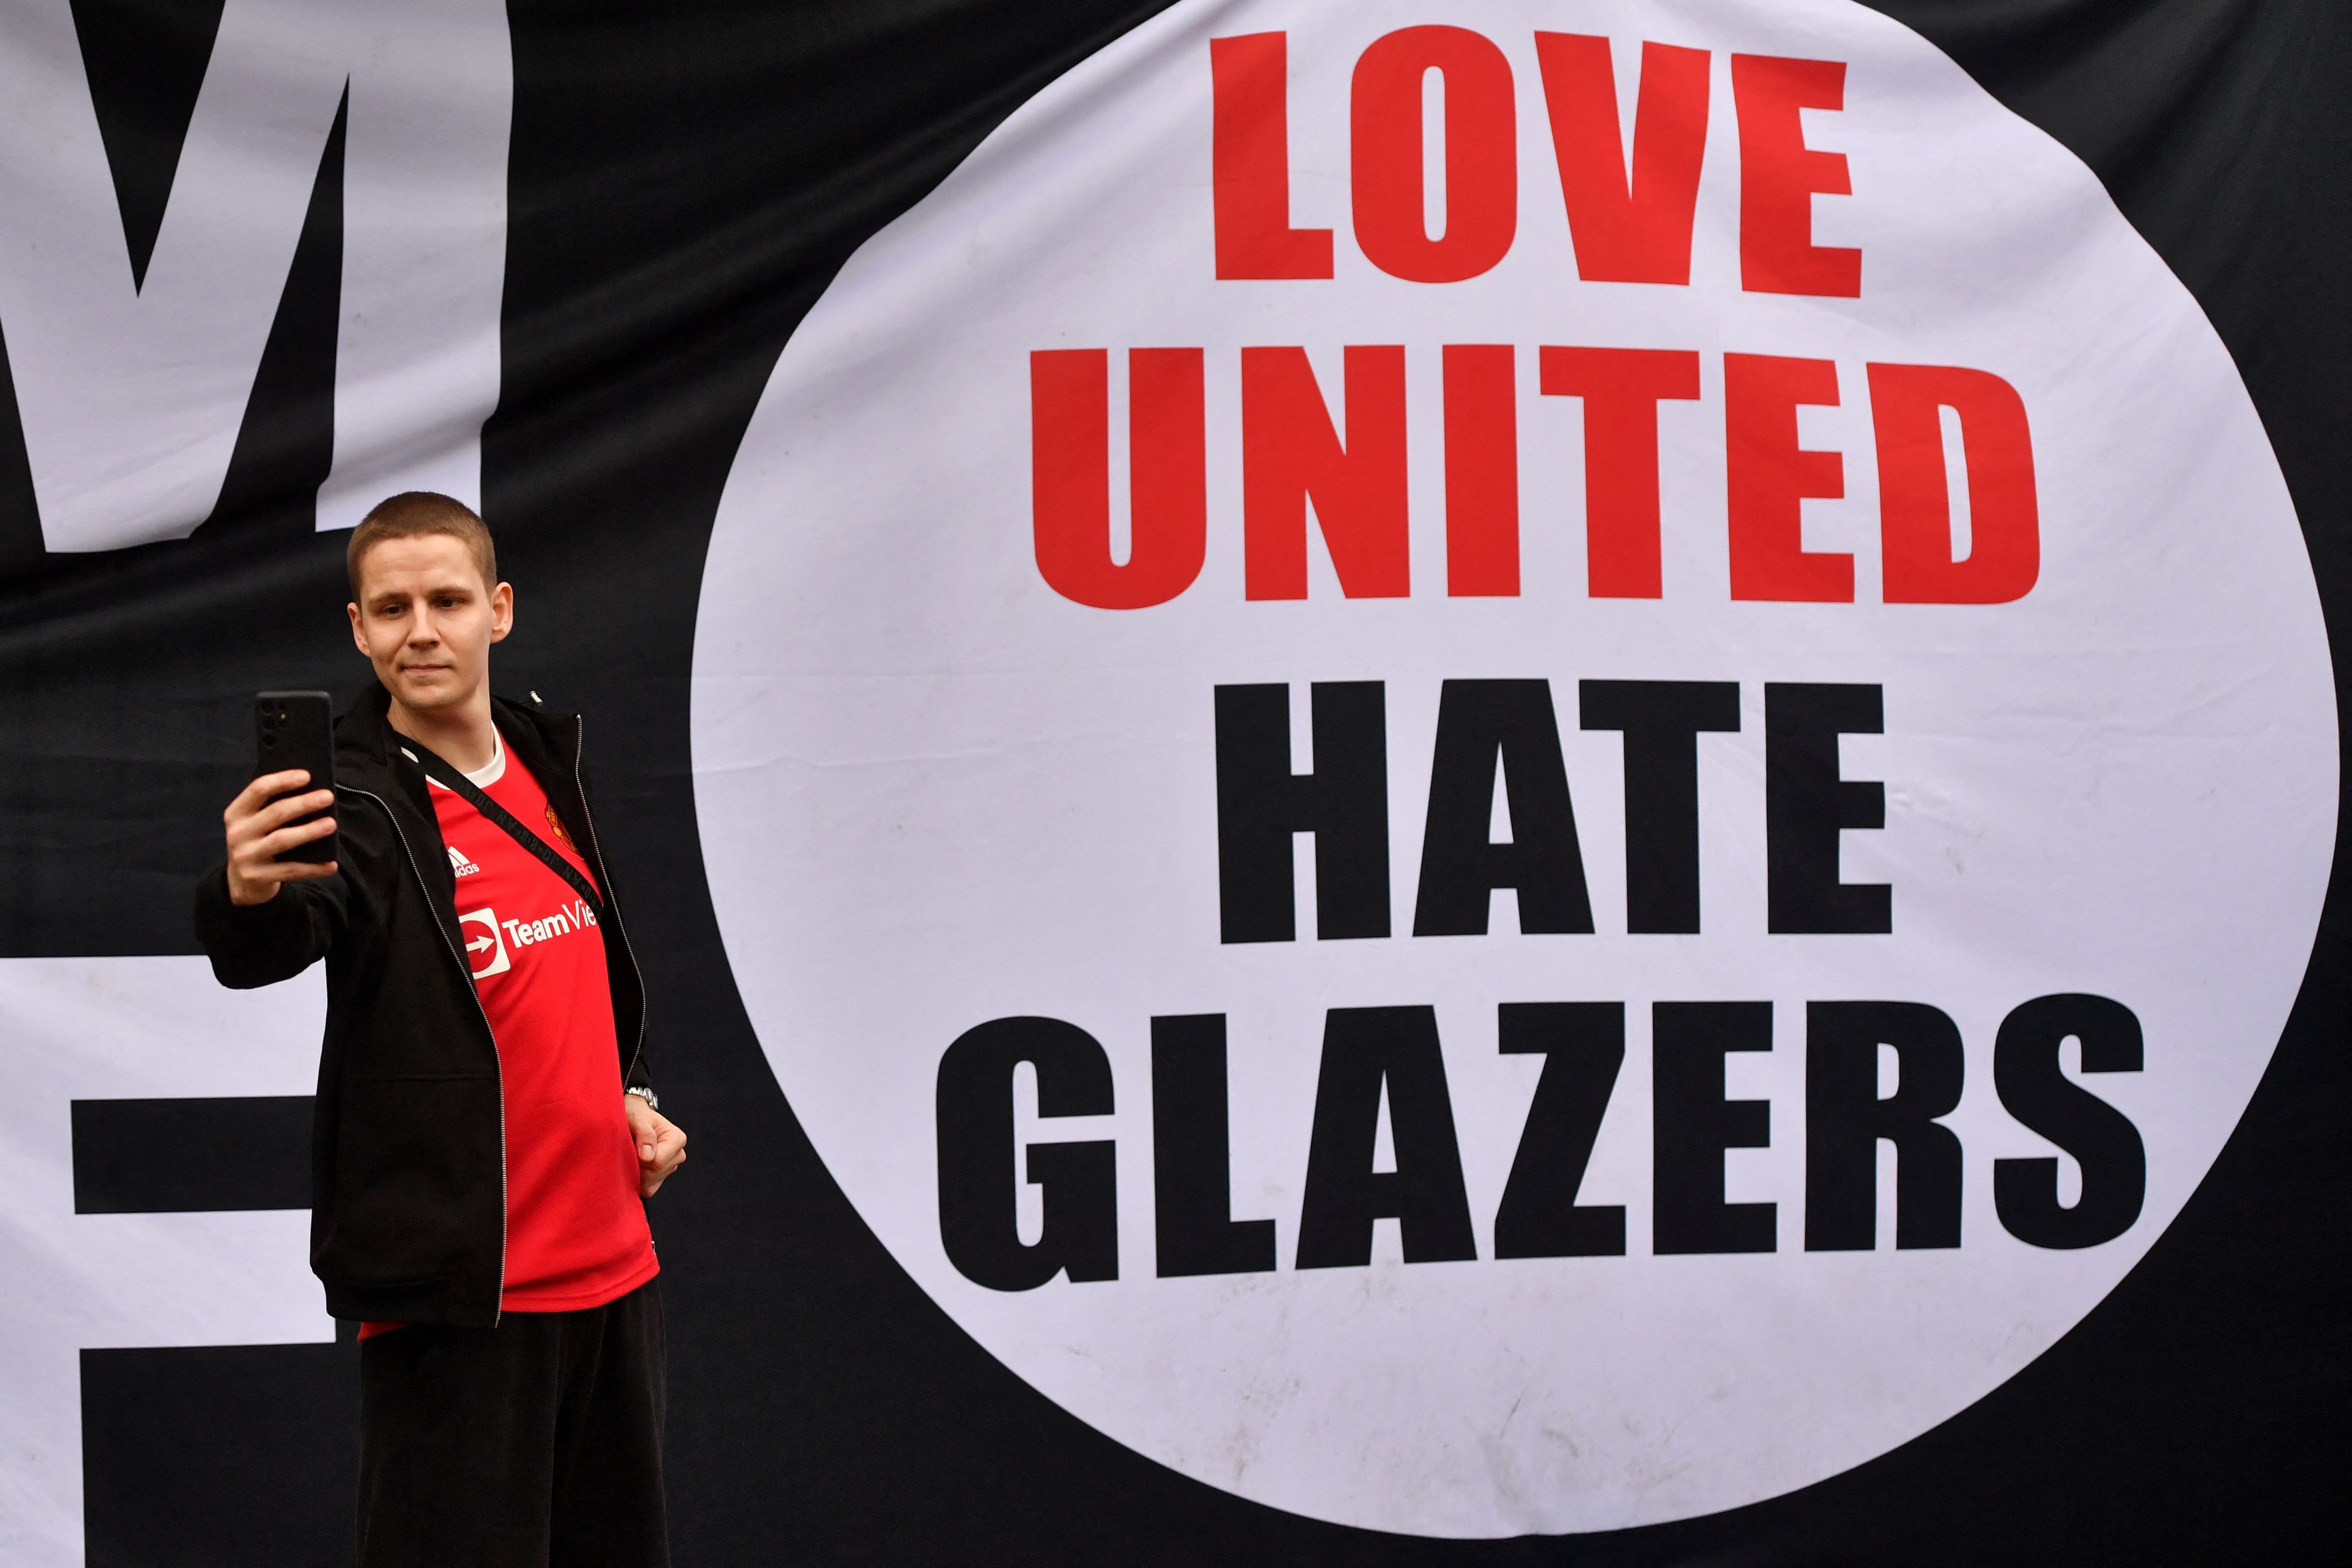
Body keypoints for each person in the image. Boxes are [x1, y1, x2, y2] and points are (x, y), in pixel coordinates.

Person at [194, 491, 686, 1568]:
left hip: (615, 1275)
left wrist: (633, 1093)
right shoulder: (353, 804)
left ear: (498, 610)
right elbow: (273, 940)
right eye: (394, 607)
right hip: (463, 1303)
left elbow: (580, 969)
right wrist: (246, 891)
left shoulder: (544, 754)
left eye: (448, 601)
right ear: (358, 628)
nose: (422, 630)